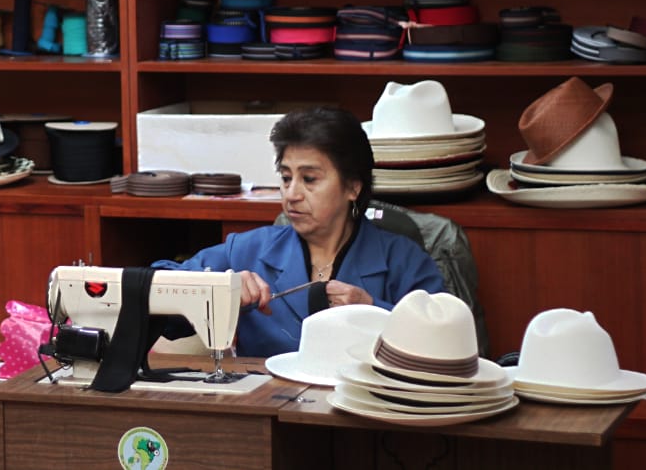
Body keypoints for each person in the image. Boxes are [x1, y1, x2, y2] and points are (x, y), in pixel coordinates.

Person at [152, 105, 445, 357]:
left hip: (365, 401)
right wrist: (213, 289)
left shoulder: (403, 259)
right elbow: (149, 287)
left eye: (309, 179)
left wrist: (373, 310)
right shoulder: (247, 250)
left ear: (353, 187)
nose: (291, 194)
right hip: (267, 399)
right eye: (285, 178)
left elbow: (446, 342)